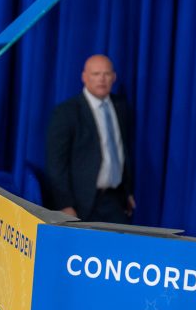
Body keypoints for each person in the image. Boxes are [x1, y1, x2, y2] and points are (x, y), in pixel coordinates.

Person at [45, 54, 135, 223]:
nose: (101, 79)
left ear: (113, 77)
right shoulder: (66, 112)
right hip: (82, 203)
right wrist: (65, 204)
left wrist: (128, 192)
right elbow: (56, 164)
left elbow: (124, 152)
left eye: (106, 74)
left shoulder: (121, 107)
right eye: (95, 74)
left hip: (115, 200)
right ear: (84, 77)